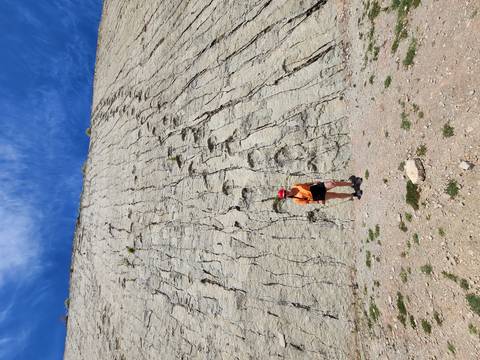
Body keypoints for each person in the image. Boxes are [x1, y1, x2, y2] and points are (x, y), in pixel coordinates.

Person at [277, 177, 362, 205]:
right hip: (316, 197)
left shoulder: (294, 186)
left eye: (285, 192)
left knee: (333, 183)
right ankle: (353, 195)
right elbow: (308, 202)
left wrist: (314, 182)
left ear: (285, 190)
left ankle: (352, 184)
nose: (286, 193)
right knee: (336, 195)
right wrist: (318, 202)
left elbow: (306, 184)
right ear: (286, 197)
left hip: (315, 188)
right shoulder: (296, 200)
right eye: (285, 195)